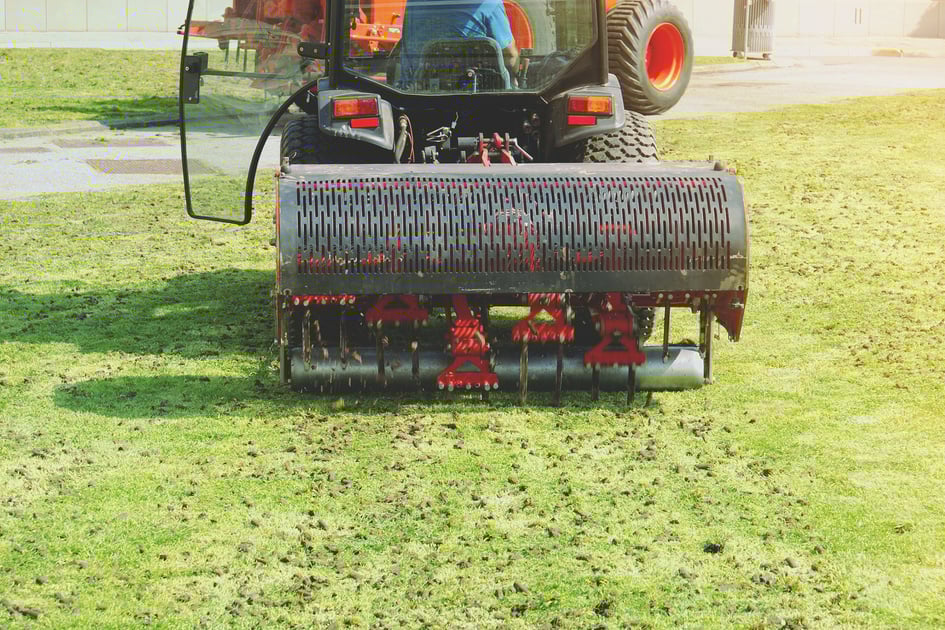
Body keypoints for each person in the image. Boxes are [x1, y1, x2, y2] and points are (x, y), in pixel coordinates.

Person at [398, 0, 519, 88]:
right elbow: (510, 56)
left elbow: (409, 43)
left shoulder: (414, 3)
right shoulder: (490, 4)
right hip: (477, 97)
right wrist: (515, 77)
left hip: (419, 92)